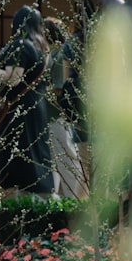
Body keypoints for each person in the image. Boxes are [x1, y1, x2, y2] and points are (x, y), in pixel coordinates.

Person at [0, 6, 54, 197]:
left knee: (15, 151)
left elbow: (13, 78)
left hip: (19, 110)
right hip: (37, 107)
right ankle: (42, 191)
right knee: (36, 150)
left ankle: (11, 195)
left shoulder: (21, 45)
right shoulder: (42, 48)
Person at [43, 17, 88, 199]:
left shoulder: (57, 55)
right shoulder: (56, 53)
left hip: (57, 115)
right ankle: (62, 200)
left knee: (66, 158)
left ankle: (73, 202)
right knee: (60, 158)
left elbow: (58, 88)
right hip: (57, 115)